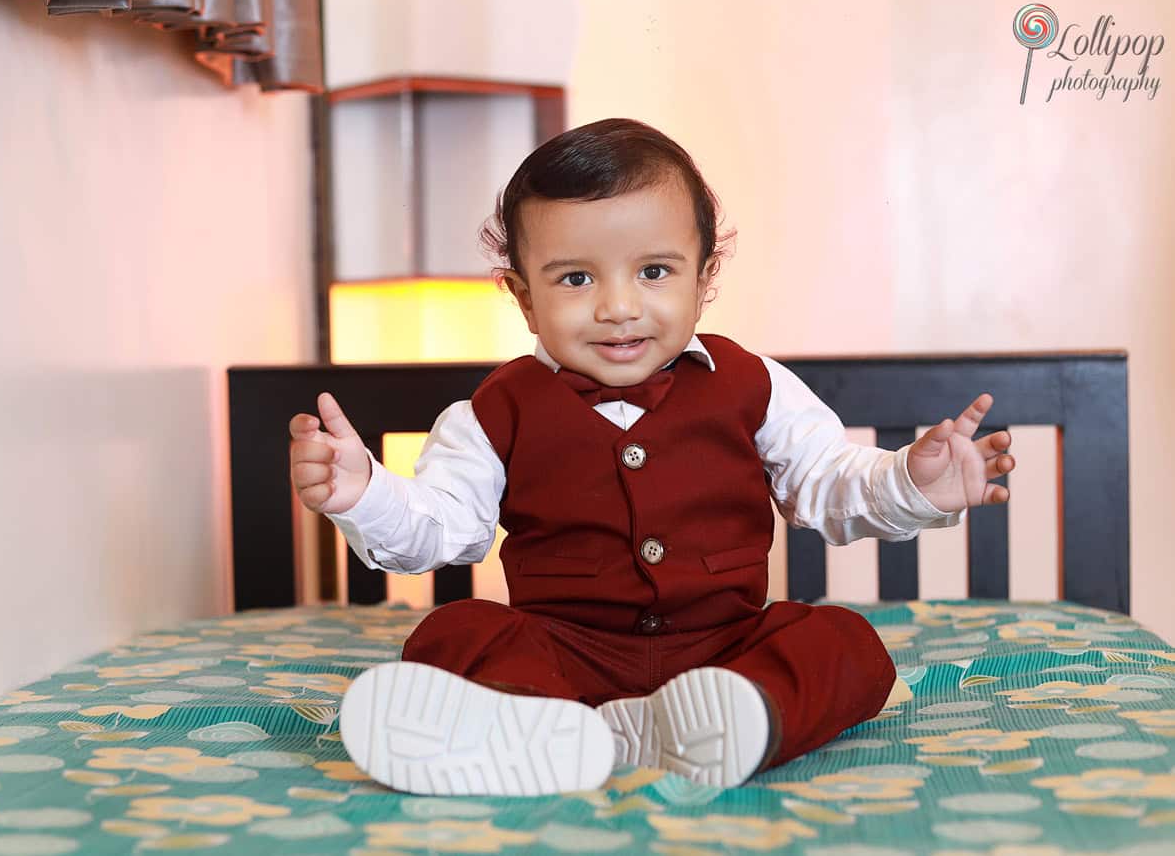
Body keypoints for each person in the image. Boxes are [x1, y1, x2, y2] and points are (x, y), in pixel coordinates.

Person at [288, 118, 1017, 798]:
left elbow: (830, 483)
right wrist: (364, 494)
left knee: (845, 641)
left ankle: (742, 717)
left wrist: (913, 484)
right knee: (453, 631)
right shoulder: (492, 410)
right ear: (524, 299)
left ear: (705, 280)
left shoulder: (755, 385)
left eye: (655, 272)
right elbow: (444, 528)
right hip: (562, 656)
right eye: (576, 278)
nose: (618, 306)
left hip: (725, 652)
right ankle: (544, 726)